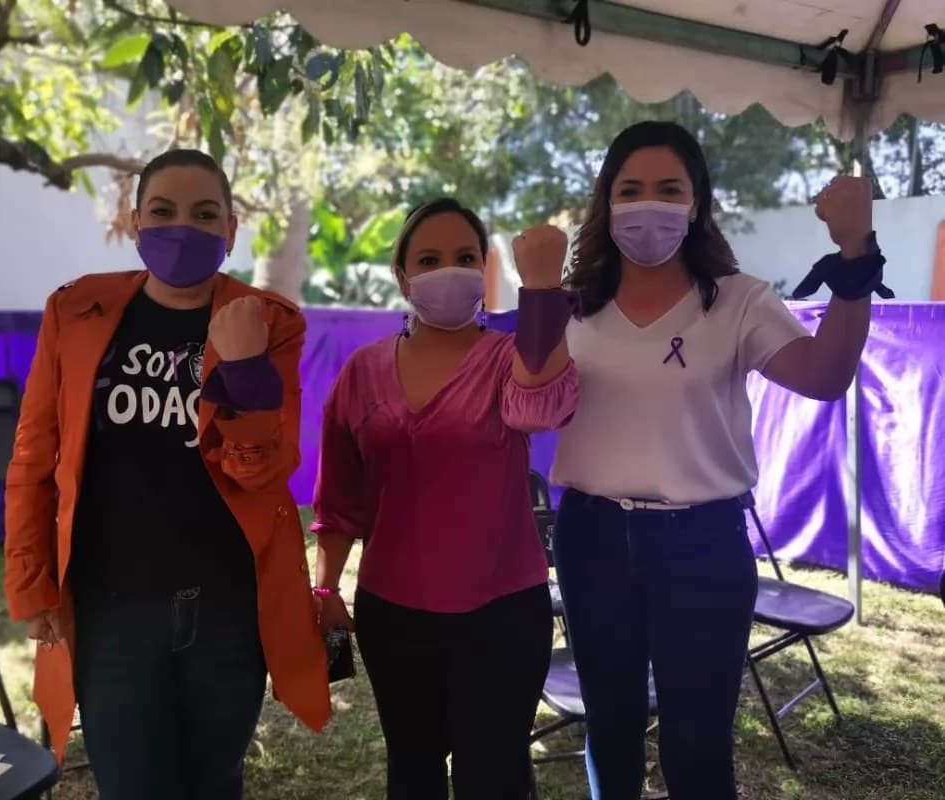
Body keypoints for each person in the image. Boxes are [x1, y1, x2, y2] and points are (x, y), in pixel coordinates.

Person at [549, 120, 891, 800]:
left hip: (701, 542)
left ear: (697, 201)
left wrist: (854, 255)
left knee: (698, 743)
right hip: (592, 539)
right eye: (631, 189)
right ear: (606, 202)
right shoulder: (571, 306)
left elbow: (825, 376)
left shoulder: (738, 300)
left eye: (669, 188)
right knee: (610, 730)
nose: (649, 204)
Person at [3, 149, 330, 800]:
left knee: (214, 781)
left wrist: (245, 371)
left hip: (228, 609)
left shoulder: (270, 322)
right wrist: (30, 579)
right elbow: (34, 456)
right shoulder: (76, 310)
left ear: (231, 231)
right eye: (164, 211)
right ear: (135, 221)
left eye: (205, 214)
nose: (184, 226)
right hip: (111, 608)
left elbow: (263, 471)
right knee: (131, 785)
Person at [311, 198, 580, 799]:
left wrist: (541, 286)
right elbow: (340, 501)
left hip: (503, 612)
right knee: (413, 770)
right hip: (394, 613)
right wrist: (325, 590)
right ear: (402, 276)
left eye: (465, 257)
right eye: (429, 258)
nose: (449, 270)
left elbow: (543, 405)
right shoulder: (362, 371)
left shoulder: (513, 358)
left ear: (484, 271)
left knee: (495, 775)